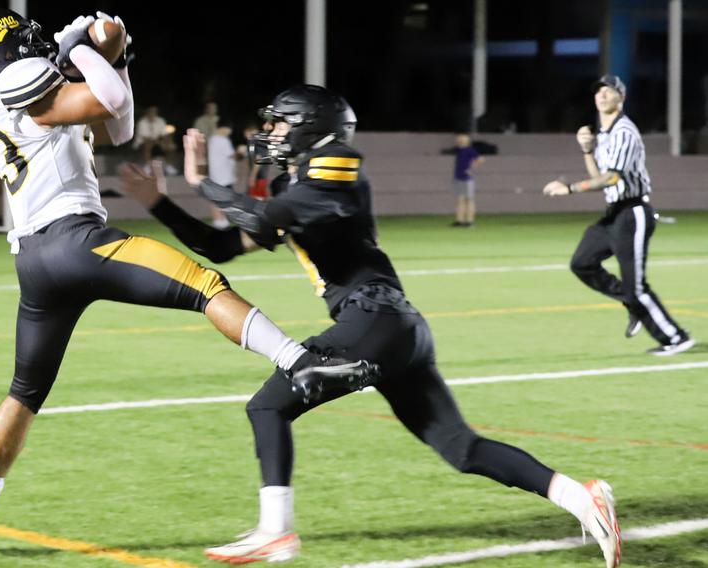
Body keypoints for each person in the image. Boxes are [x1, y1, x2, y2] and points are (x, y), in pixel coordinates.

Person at [119, 85, 622, 567]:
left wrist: (201, 182)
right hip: (392, 326)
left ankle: (278, 527)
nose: (268, 132)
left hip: (375, 314)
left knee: (269, 404)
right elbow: (225, 244)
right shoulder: (292, 185)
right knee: (460, 448)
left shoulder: (338, 159)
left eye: (279, 123)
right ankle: (583, 497)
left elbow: (263, 217)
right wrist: (160, 205)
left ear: (309, 127)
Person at [0, 11, 377, 549]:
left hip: (35, 263)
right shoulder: (16, 82)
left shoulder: (25, 90)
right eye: (23, 37)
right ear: (6, 52)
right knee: (204, 284)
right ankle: (303, 364)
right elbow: (109, 102)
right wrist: (78, 46)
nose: (35, 38)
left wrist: (117, 56)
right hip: (76, 243)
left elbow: (119, 124)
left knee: (25, 390)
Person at [543, 74, 695, 356]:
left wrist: (570, 188)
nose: (602, 95)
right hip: (614, 213)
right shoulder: (604, 135)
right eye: (598, 91)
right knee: (582, 263)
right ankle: (631, 302)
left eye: (609, 91)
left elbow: (612, 178)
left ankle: (676, 337)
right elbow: (598, 177)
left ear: (621, 98)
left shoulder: (625, 131)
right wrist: (587, 151)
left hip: (633, 212)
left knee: (636, 284)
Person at [207, 118, 244, 228]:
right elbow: (233, 157)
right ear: (225, 128)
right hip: (223, 176)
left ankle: (220, 221)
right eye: (229, 129)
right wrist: (241, 151)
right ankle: (220, 221)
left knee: (218, 199)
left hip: (217, 175)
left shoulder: (213, 139)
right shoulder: (222, 140)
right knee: (222, 200)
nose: (230, 132)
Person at [133, 105, 178, 173]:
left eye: (154, 112)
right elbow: (145, 137)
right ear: (147, 112)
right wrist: (157, 141)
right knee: (148, 144)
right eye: (151, 112)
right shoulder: (142, 122)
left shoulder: (161, 120)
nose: (152, 113)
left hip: (158, 142)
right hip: (143, 143)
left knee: (171, 146)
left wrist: (164, 142)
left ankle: (169, 165)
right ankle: (147, 165)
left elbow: (164, 134)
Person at [451, 132, 483, 227]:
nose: (459, 139)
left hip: (467, 179)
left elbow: (480, 159)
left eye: (462, 138)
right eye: (459, 138)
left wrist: (471, 169)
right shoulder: (458, 150)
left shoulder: (469, 150)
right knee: (460, 200)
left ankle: (470, 221)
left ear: (467, 140)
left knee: (469, 200)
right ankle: (459, 221)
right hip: (458, 178)